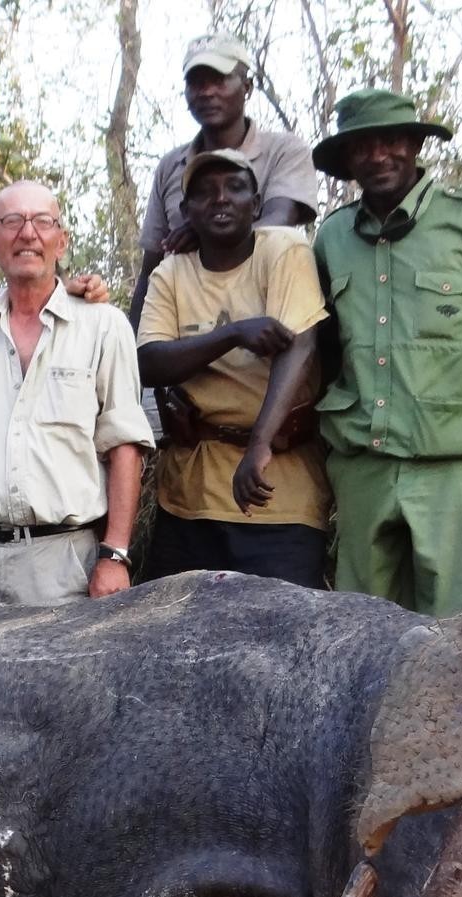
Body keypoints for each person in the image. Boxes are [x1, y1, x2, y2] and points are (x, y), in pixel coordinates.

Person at [262, 88, 462, 616]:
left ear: (414, 144)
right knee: (362, 637)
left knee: (460, 638)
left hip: (454, 468)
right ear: (346, 161)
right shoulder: (333, 237)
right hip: (362, 468)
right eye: (361, 147)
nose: (377, 157)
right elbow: (316, 347)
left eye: (390, 141)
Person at [0, 181, 153, 606]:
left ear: (61, 241)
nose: (27, 233)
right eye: (12, 221)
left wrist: (115, 555)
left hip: (66, 562)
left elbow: (125, 446)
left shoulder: (104, 326)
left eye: (42, 221)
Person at [138, 149, 330, 586]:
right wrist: (232, 333)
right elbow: (148, 362)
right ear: (186, 214)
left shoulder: (284, 249)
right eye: (204, 193)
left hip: (278, 493)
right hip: (189, 496)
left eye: (235, 188)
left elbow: (300, 344)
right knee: (177, 639)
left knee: (281, 637)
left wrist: (259, 445)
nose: (220, 199)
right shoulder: (171, 272)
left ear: (257, 205)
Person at [128, 32, 318, 328]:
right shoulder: (170, 166)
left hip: (266, 322)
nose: (206, 92)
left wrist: (207, 235)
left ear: (247, 87)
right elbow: (151, 263)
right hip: (187, 331)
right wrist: (133, 348)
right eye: (196, 83)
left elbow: (280, 219)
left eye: (219, 80)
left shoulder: (284, 151)